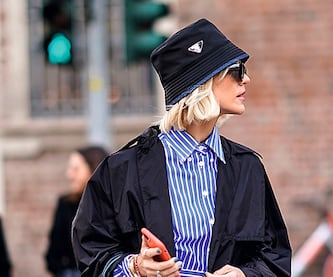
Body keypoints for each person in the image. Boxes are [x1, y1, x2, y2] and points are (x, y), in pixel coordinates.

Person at [72, 18, 291, 277]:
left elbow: (275, 257)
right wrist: (136, 267)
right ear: (203, 82)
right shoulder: (121, 170)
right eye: (237, 70)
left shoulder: (247, 167)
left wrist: (244, 275)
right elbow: (91, 256)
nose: (247, 79)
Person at [46, 146, 109, 277]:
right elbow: (53, 254)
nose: (69, 175)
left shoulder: (113, 206)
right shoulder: (65, 204)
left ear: (94, 169)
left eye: (76, 169)